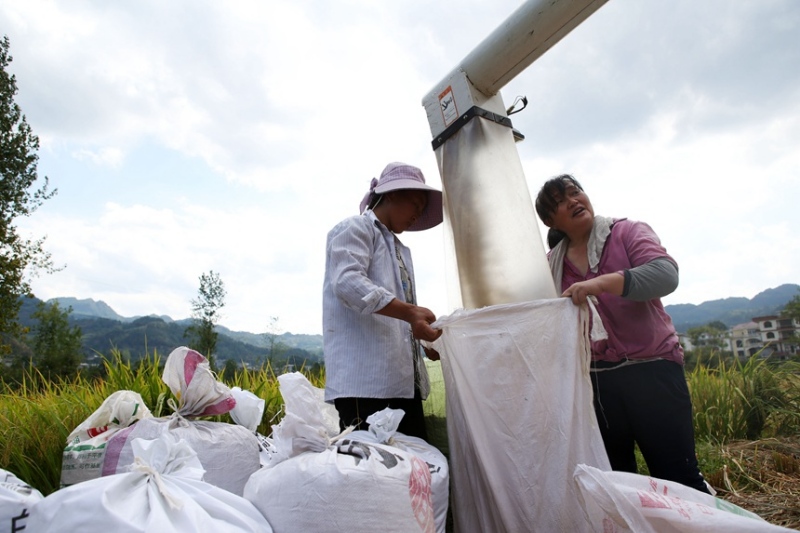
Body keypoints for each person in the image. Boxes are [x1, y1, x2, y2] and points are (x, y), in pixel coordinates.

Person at [534, 174, 710, 494]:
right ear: (549, 220)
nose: (573, 200)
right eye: (560, 201)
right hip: (596, 383)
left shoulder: (627, 232)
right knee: (616, 482)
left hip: (652, 370)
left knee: (678, 476)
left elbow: (665, 275)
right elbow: (532, 319)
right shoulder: (549, 267)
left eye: (576, 192)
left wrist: (601, 283)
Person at [322, 162, 443, 440]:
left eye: (423, 209)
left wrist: (423, 339)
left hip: (401, 383)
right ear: (390, 194)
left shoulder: (400, 251)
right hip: (366, 385)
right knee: (371, 470)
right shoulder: (354, 228)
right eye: (416, 203)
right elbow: (348, 282)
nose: (418, 214)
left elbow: (399, 315)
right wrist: (411, 313)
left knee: (410, 469)